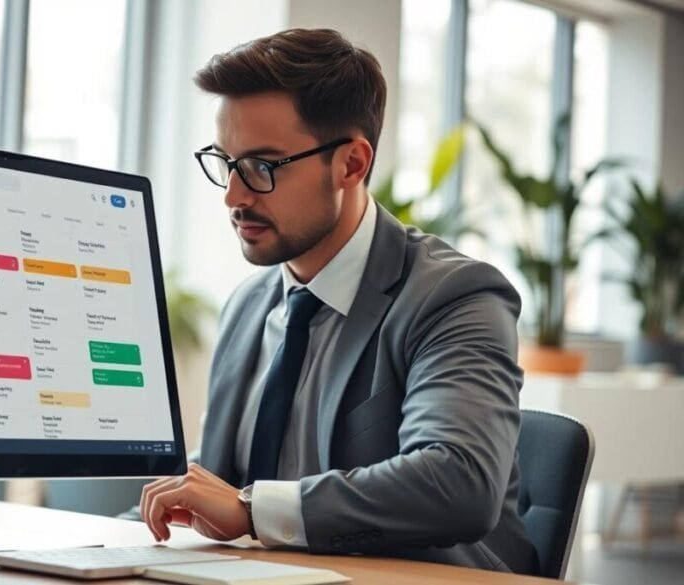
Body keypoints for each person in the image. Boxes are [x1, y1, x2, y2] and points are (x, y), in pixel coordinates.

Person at [137, 28, 539, 575]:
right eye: (225, 162)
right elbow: (216, 485)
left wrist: (252, 510)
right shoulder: (249, 305)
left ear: (351, 164)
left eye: (261, 167)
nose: (233, 195)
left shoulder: (454, 298)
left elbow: (459, 481)